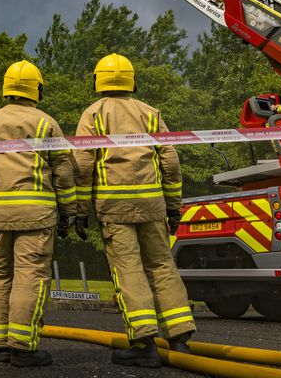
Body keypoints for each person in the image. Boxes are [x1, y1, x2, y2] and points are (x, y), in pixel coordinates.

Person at [74, 54, 195, 367]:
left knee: (128, 270)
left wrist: (79, 208)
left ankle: (143, 344)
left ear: (98, 81)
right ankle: (179, 337)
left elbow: (84, 164)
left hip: (115, 209)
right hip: (153, 206)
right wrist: (173, 207)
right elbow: (170, 162)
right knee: (162, 267)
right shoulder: (150, 113)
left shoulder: (94, 114)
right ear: (132, 81)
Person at [0, 60, 77, 367]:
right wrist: (68, 209)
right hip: (36, 215)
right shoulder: (46, 123)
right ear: (37, 89)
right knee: (29, 276)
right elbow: (64, 171)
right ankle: (22, 346)